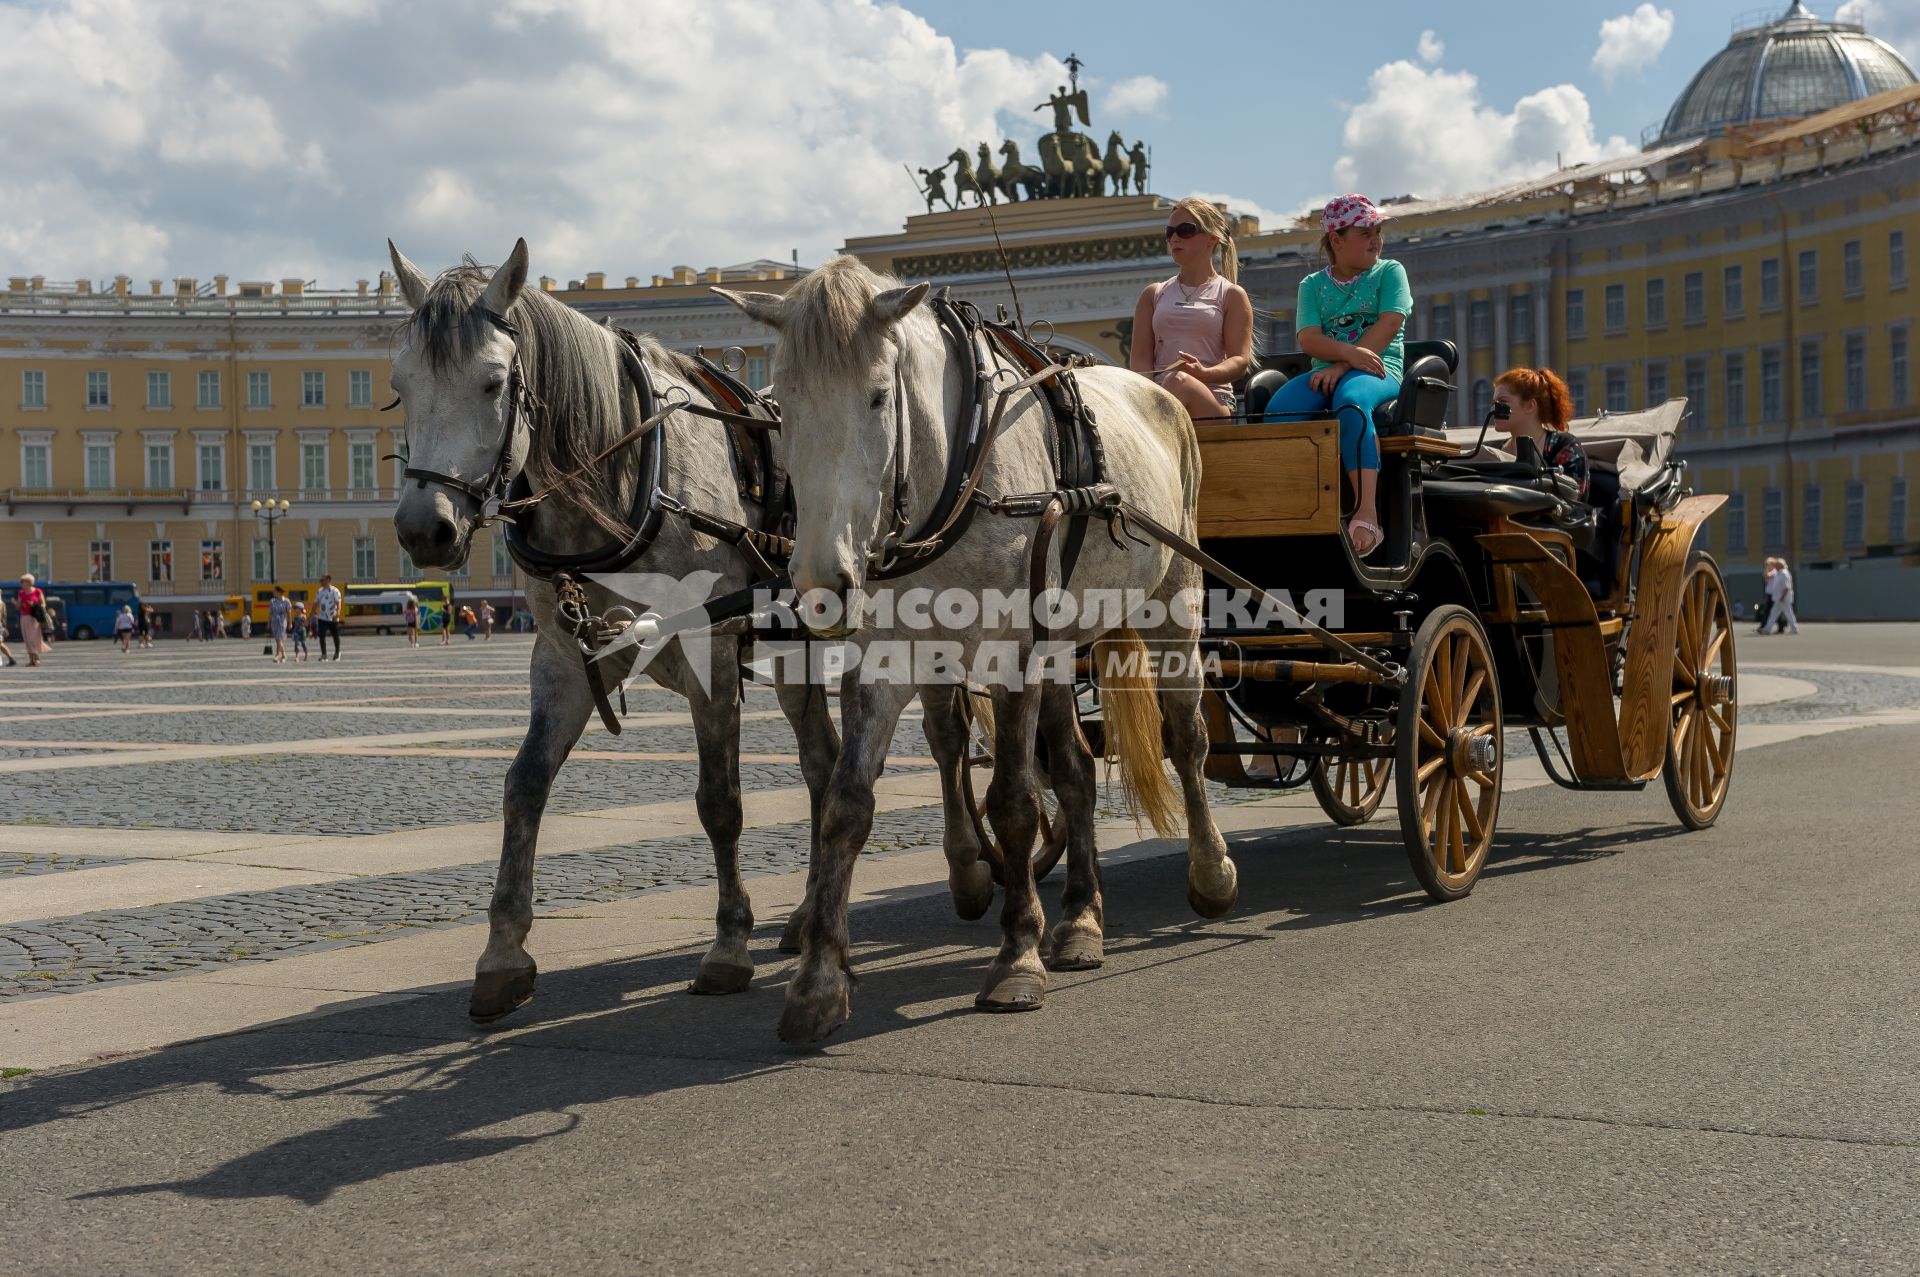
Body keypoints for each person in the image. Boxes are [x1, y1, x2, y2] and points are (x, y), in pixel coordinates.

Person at [1264, 194, 1410, 557]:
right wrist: (1344, 357)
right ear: (1336, 239)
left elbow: (1390, 322)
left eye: (1377, 232)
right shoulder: (1312, 285)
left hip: (1380, 367)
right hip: (1327, 371)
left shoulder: (1390, 272)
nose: (1375, 239)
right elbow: (1309, 338)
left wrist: (1345, 364)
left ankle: (1366, 513)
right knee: (1277, 410)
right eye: (1365, 233)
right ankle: (1296, 504)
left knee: (1351, 401)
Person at [1129, 197, 1253, 425]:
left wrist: (1205, 373)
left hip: (1213, 401)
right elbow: (1140, 360)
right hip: (1158, 399)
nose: (1174, 238)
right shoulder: (1153, 294)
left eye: (1185, 230)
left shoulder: (1231, 294)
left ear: (1212, 238)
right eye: (1169, 232)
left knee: (1181, 381)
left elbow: (1239, 360)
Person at [1491, 368, 1589, 498]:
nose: (1493, 408)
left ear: (1530, 406)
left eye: (1502, 401)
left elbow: (1576, 501)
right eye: (1493, 402)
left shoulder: (1565, 447)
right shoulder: (1492, 452)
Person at [1760, 557, 1800, 635]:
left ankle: (1767, 629)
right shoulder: (1780, 573)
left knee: (1785, 613)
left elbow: (1787, 587)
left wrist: (1782, 597)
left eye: (1776, 565)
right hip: (1780, 598)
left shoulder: (1784, 573)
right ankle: (1767, 629)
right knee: (1776, 613)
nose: (1775, 566)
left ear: (1780, 565)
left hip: (1783, 598)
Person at [17, 574, 49, 666]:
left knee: (33, 638)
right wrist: (17, 604)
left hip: (34, 617)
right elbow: (19, 607)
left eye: (23, 582)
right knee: (27, 639)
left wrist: (34, 605)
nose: (21, 584)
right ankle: (32, 660)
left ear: (29, 583)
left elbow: (43, 604)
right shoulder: (21, 593)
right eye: (21, 582)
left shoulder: (37, 591)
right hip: (24, 617)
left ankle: (36, 658)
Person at [312, 573, 343, 661]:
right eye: (320, 580)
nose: (320, 582)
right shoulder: (319, 591)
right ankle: (324, 654)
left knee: (335, 635)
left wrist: (337, 613)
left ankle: (337, 653)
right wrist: (311, 615)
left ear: (328, 580)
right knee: (321, 636)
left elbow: (338, 603)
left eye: (322, 580)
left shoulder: (335, 591)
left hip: (332, 617)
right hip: (322, 617)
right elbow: (315, 603)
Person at [267, 585, 291, 663]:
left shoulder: (286, 601)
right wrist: (269, 623)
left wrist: (290, 623)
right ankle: (284, 655)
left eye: (274, 591)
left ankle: (277, 655)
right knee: (278, 639)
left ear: (279, 592)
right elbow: (270, 613)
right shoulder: (272, 601)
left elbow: (289, 613)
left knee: (279, 638)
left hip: (282, 621)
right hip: (274, 622)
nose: (273, 593)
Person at [0, 593, 15, 667]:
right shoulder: (2, 603)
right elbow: (4, 616)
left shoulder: (1, 604)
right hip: (1, 625)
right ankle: (11, 659)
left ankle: (11, 659)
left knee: (0, 644)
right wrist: (4, 627)